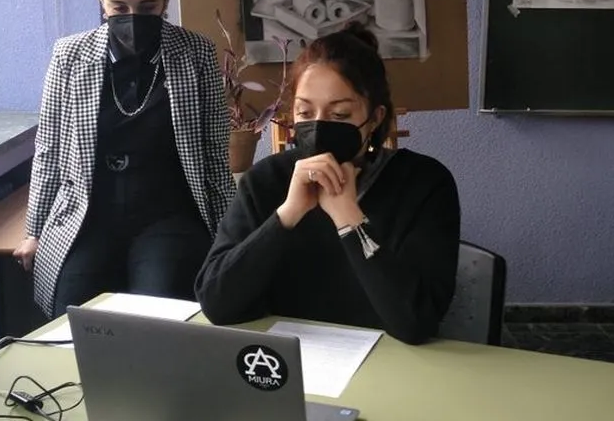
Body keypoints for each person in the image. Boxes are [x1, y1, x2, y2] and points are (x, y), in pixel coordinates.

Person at [195, 23, 461, 344]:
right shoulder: (266, 181)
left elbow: (416, 323)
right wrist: (287, 215)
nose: (318, 127)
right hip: (286, 362)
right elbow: (216, 303)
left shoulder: (425, 184)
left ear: (375, 118)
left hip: (391, 366)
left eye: (340, 115)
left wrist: (349, 218)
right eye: (305, 111)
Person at [13, 0, 234, 319]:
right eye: (118, 7)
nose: (133, 18)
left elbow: (214, 153)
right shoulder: (69, 57)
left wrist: (232, 233)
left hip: (169, 213)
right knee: (72, 310)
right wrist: (34, 231)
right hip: (90, 213)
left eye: (147, 7)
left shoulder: (197, 53)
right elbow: (48, 148)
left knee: (160, 310)